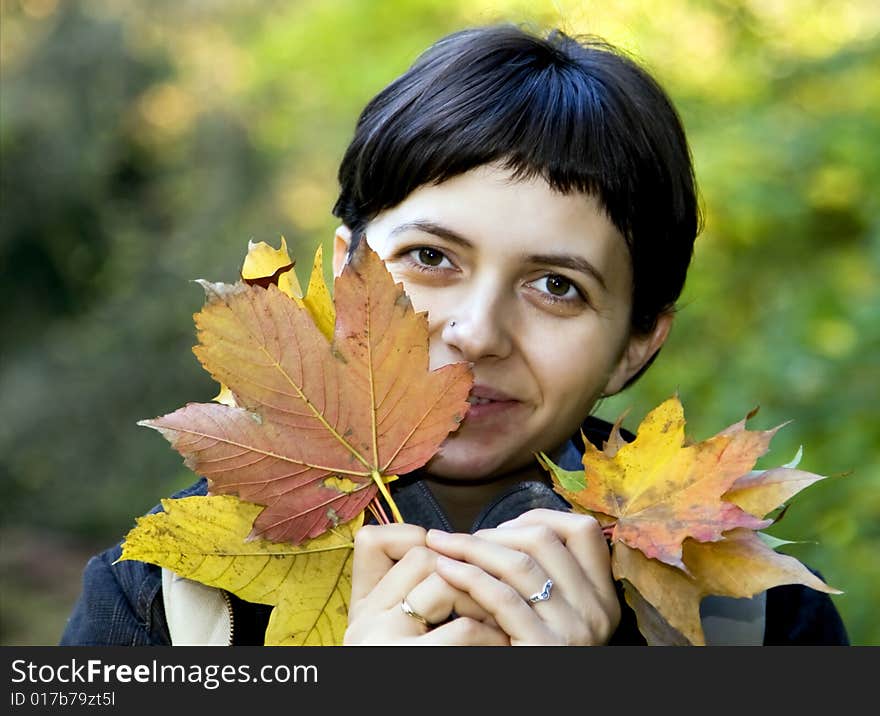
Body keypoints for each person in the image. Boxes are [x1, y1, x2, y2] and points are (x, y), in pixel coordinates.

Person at [60, 23, 848, 646]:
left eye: (557, 287)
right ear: (347, 275)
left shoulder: (757, 621)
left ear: (638, 344)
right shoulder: (167, 596)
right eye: (430, 258)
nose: (476, 333)